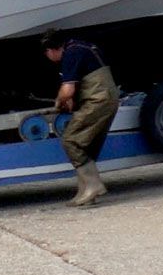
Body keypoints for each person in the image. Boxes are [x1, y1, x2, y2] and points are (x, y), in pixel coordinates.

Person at [42, 29, 119, 207]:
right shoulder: (83, 46)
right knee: (86, 145)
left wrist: (59, 101)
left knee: (71, 140)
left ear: (51, 50)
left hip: (97, 101)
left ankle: (93, 186)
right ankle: (84, 192)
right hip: (107, 99)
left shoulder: (71, 54)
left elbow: (68, 90)